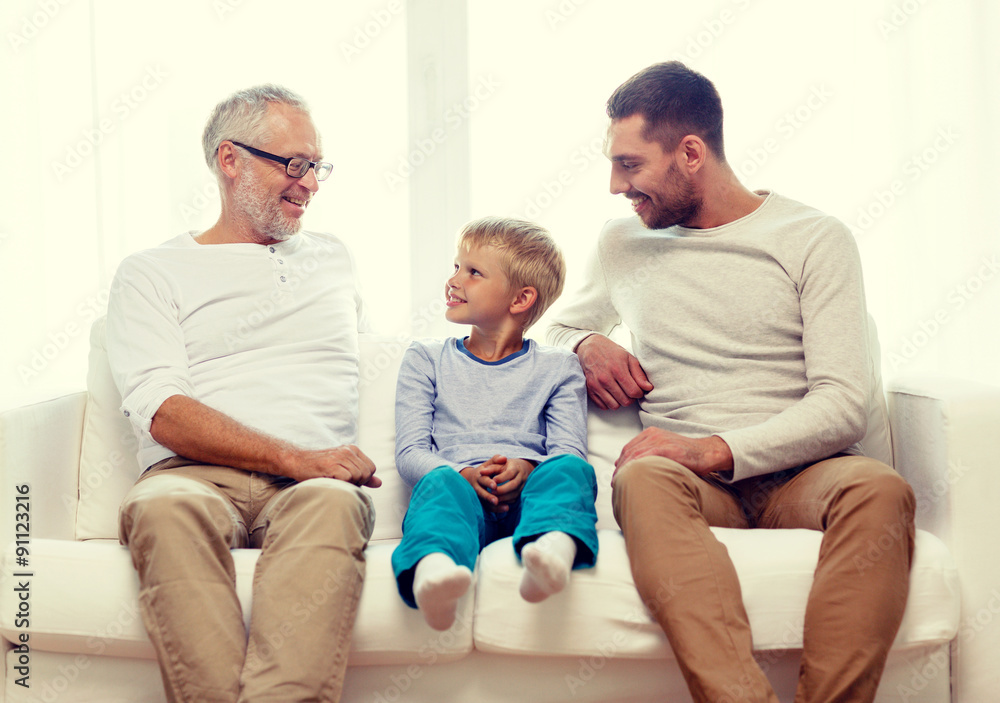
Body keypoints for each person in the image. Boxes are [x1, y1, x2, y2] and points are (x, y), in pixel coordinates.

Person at [547, 62, 916, 703]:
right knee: (640, 477)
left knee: (879, 488)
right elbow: (549, 332)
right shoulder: (622, 244)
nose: (614, 186)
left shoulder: (813, 239)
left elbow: (844, 404)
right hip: (695, 487)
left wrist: (710, 448)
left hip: (806, 473)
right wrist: (586, 342)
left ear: (690, 153)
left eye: (630, 165)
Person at [107, 85, 381, 703]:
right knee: (162, 508)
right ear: (230, 160)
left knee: (336, 506)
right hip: (195, 477)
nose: (308, 182)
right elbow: (163, 411)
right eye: (292, 163)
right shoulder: (151, 272)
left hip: (314, 487)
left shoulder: (335, 259)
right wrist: (293, 456)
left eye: (316, 167)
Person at [391, 216, 599, 631]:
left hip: (528, 502)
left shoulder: (560, 367)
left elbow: (568, 450)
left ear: (520, 299)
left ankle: (551, 552)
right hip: (460, 496)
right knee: (438, 483)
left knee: (572, 471)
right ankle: (435, 574)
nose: (454, 280)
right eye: (455, 267)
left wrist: (528, 468)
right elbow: (412, 453)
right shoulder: (426, 358)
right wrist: (462, 474)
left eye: (473, 272)